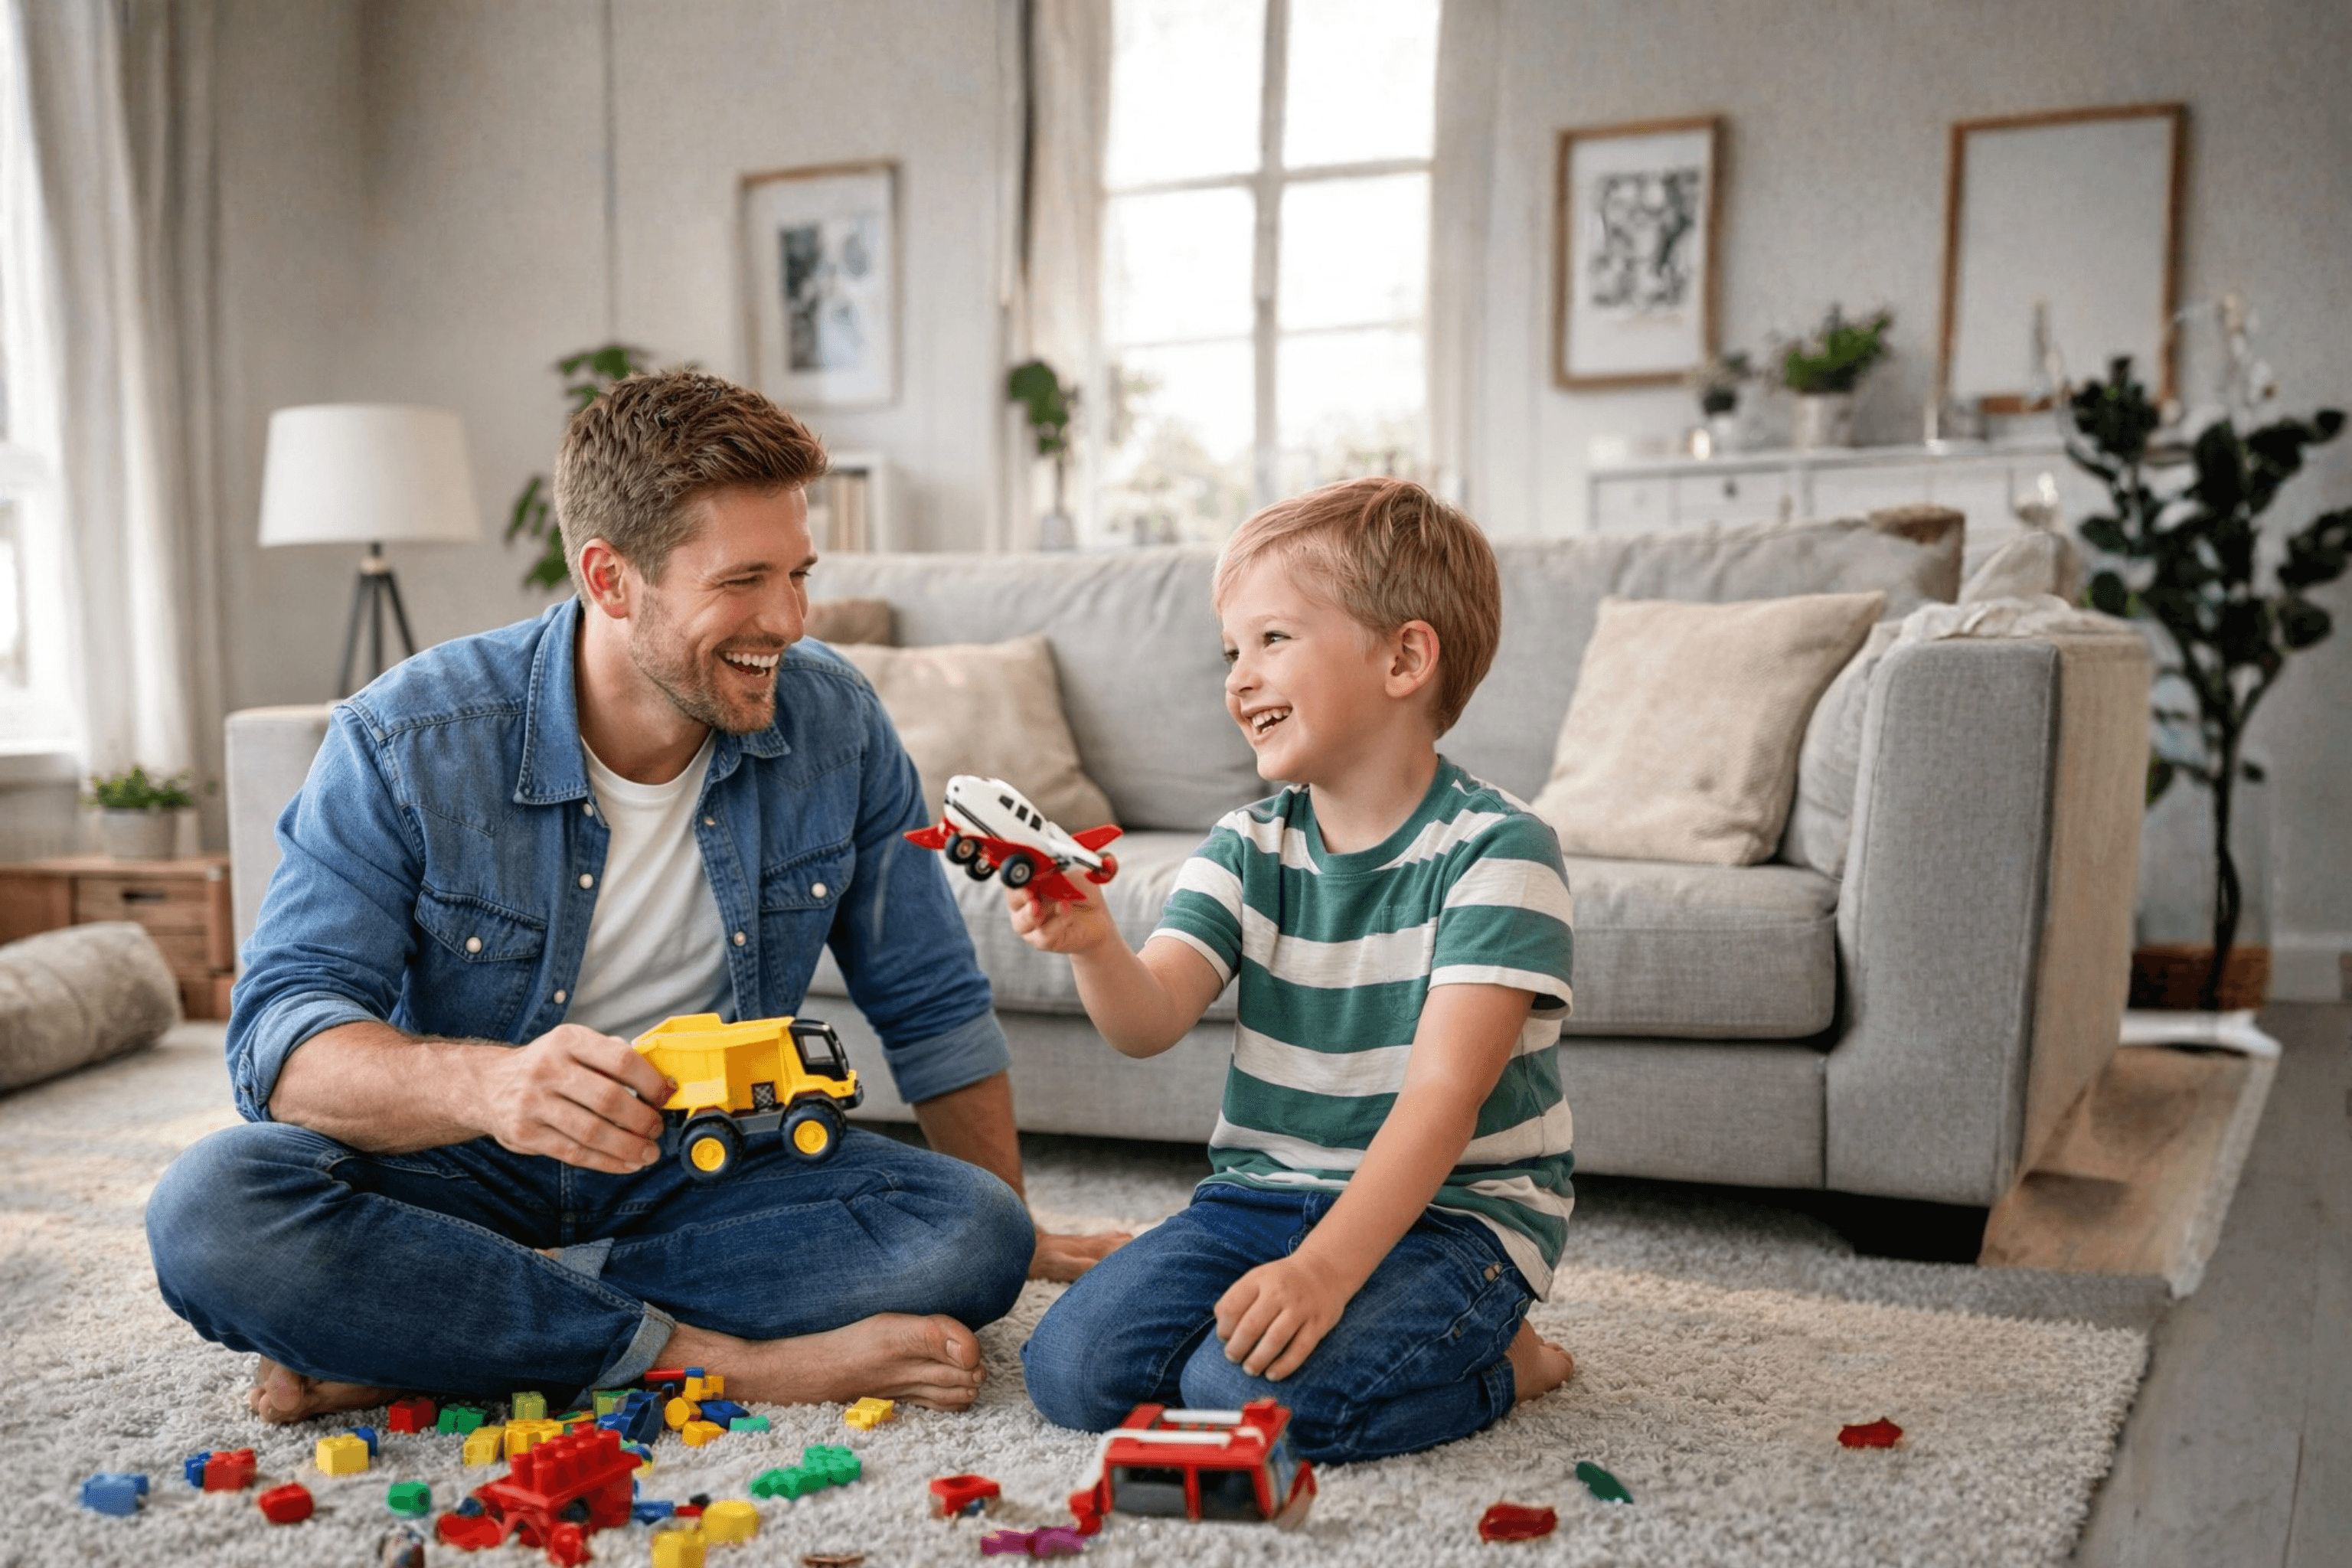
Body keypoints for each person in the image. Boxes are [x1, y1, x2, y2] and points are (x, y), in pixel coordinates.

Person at [146, 368, 1119, 1426]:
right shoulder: (405, 741)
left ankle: (442, 1324)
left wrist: (1016, 1236)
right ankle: (714, 1362)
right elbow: (283, 1044)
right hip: (457, 1173)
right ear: (610, 579)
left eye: (799, 572)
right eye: (744, 579)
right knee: (214, 1210)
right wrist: (493, 1089)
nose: (788, 619)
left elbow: (929, 1002)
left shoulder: (836, 724)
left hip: (697, 1172)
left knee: (968, 1233)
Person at [1012, 477, 1578, 1463]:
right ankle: (1302, 1332)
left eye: (1273, 640)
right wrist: (1095, 943)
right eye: (1231, 652)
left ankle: (1508, 1362)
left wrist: (1322, 1272)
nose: (1237, 679)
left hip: (1453, 1221)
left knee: (1254, 1406)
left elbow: (1443, 1101)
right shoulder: (1245, 846)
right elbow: (1147, 1023)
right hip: (1258, 1199)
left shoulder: (1501, 850)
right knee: (1071, 1372)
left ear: (1405, 657)